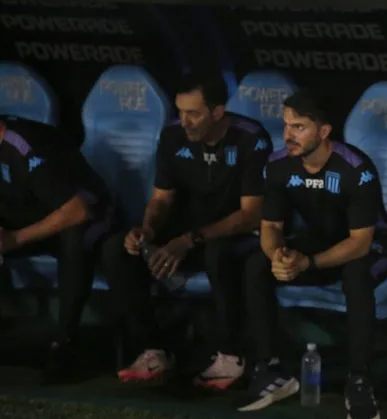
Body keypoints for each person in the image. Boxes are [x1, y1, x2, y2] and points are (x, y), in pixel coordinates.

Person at [100, 73, 271, 389]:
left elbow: (250, 215)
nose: (185, 121)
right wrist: (148, 230)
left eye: (194, 113)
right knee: (118, 250)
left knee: (219, 255)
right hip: (187, 232)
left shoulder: (250, 138)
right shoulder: (172, 135)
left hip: (232, 233)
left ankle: (232, 355)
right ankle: (154, 351)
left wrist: (188, 241)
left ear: (217, 112)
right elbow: (161, 198)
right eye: (180, 112)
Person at [241, 90, 387, 415]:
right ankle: (271, 368)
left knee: (357, 275)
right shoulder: (278, 165)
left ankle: (359, 381)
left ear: (324, 131)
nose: (288, 135)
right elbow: (270, 227)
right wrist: (278, 259)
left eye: (299, 127)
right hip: (318, 243)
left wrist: (308, 262)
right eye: (286, 126)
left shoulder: (356, 169)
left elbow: (359, 242)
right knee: (257, 265)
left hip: (372, 245)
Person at [0, 115, 113, 381]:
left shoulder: (24, 145)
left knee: (75, 241)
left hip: (84, 214)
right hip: (31, 214)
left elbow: (77, 210)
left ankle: (65, 345)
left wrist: (14, 239)